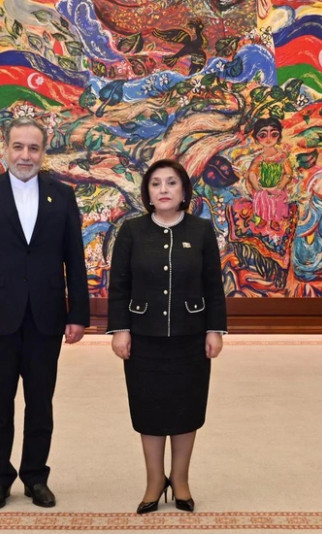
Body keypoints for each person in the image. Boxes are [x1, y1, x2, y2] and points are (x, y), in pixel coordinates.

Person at [0, 116, 90, 510]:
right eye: (18, 147)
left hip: (46, 317)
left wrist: (78, 314)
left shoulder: (61, 196)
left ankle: (35, 477)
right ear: (5, 149)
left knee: (40, 404)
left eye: (33, 148)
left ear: (43, 152)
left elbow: (74, 260)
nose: (25, 155)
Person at [107, 159, 226, 514]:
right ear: (147, 193)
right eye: (156, 183)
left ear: (184, 191)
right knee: (149, 409)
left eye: (171, 183)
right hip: (143, 337)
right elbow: (119, 286)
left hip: (191, 336)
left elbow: (213, 286)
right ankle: (154, 481)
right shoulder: (131, 231)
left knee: (187, 408)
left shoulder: (201, 231)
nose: (163, 190)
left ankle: (181, 479)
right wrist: (120, 329)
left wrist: (215, 329)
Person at [247, 117, 293, 224]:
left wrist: (279, 188)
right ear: (256, 138)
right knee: (262, 212)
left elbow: (288, 174)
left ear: (279, 136)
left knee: (278, 215)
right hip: (262, 192)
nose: (268, 138)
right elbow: (252, 173)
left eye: (274, 134)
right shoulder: (259, 158)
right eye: (263, 135)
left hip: (278, 192)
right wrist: (258, 188)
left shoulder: (282, 156)